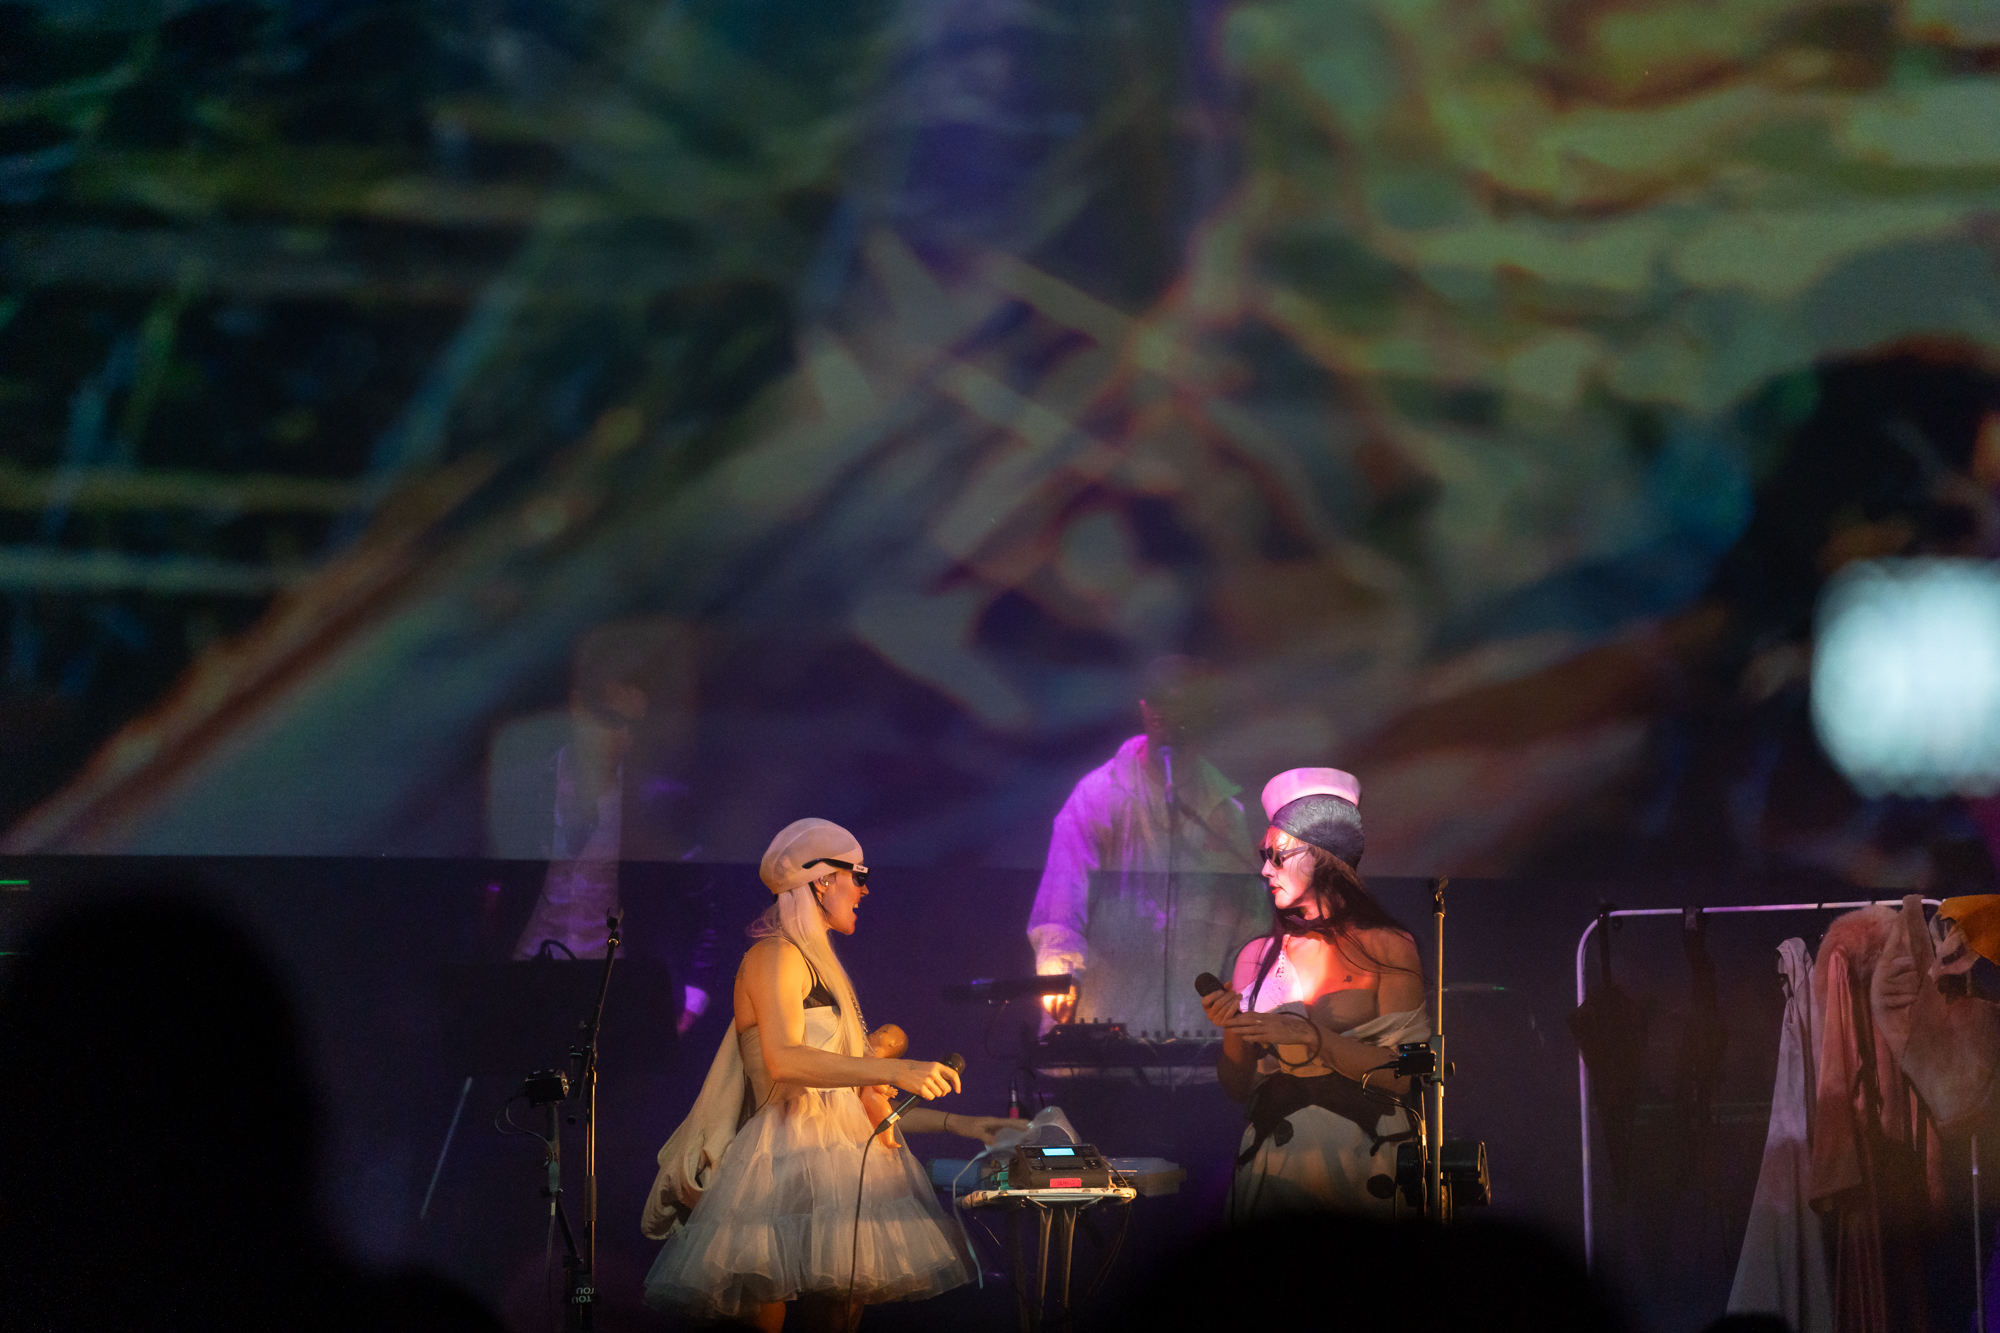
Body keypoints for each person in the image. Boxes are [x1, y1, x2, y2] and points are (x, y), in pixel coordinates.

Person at [641, 818, 1012, 1331]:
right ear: (821, 881)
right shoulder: (775, 956)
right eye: (857, 876)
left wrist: (964, 1125)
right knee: (768, 1306)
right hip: (781, 1163)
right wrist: (895, 1066)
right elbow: (785, 1059)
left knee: (839, 1312)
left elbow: (855, 1105)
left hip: (843, 1165)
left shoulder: (826, 971)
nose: (864, 889)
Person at [1198, 767, 1430, 1220]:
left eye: (1277, 855)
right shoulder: (1255, 957)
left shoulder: (1388, 947)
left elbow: (1403, 1076)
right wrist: (1232, 1032)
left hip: (1365, 1164)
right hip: (1278, 1167)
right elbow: (1238, 1088)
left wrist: (1310, 1037)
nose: (1265, 869)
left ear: (1323, 855)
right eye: (1263, 856)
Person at [1026, 655, 1263, 1038]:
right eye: (1158, 699)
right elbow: (1061, 902)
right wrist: (1061, 975)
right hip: (1105, 1026)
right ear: (1144, 706)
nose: (1167, 711)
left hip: (1198, 1036)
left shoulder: (1225, 813)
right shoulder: (1098, 796)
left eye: (1181, 701)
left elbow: (1250, 922)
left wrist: (1247, 995)